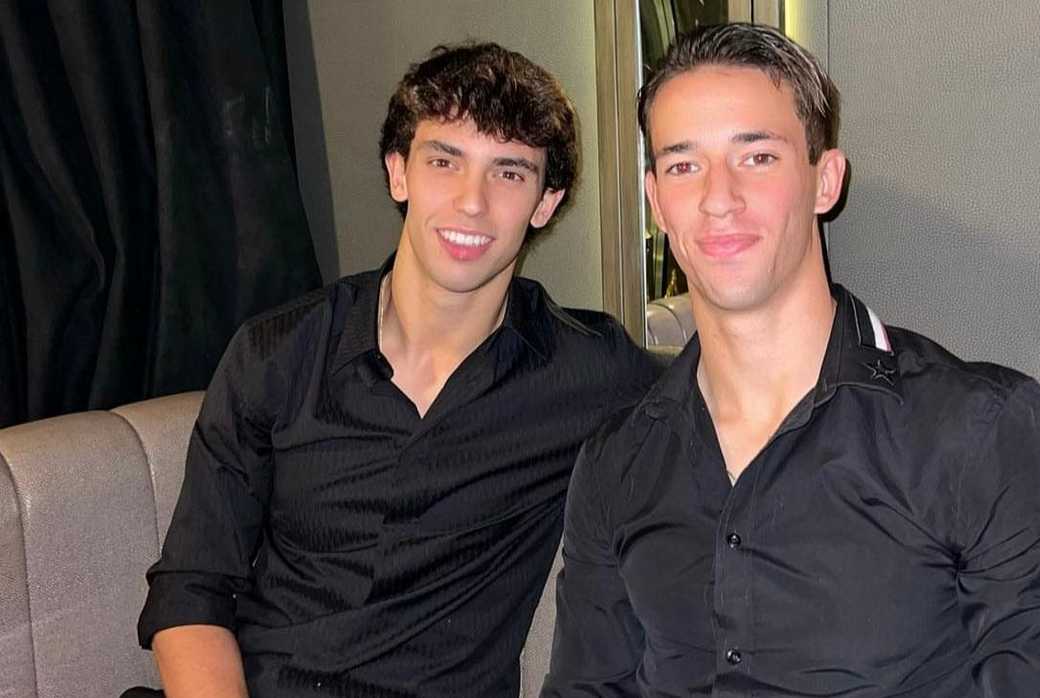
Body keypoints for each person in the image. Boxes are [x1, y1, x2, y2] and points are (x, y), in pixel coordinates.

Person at [543, 22, 1040, 697]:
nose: (717, 198)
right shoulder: (618, 461)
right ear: (657, 204)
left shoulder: (978, 436)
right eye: (683, 164)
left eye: (756, 158)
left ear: (826, 180)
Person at [134, 42, 660, 697]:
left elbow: (746, 393)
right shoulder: (275, 354)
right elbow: (192, 589)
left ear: (546, 204)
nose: (472, 202)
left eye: (509, 173)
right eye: (445, 161)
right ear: (398, 173)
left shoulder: (590, 373)